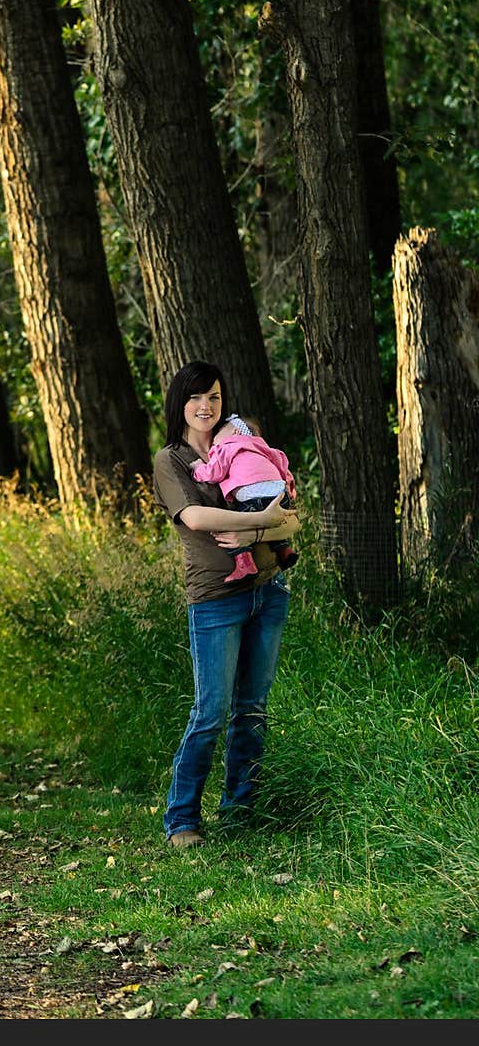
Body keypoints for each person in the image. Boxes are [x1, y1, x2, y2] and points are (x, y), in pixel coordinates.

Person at [152, 361, 301, 849]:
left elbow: (291, 522)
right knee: (210, 712)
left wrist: (253, 528)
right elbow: (193, 517)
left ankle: (240, 811)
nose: (206, 406)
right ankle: (182, 820)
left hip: (268, 591)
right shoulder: (171, 461)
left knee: (252, 710)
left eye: (214, 397)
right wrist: (263, 523)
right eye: (197, 398)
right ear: (181, 403)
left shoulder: (239, 442)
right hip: (216, 600)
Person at [190, 413, 299, 583]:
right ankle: (284, 550)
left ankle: (244, 563)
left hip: (253, 496)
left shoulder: (227, 445)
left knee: (235, 524)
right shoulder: (263, 447)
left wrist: (198, 468)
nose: (213, 442)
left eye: (216, 436)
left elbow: (214, 472)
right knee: (273, 521)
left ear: (234, 431)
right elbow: (282, 465)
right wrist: (289, 490)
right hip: (279, 493)